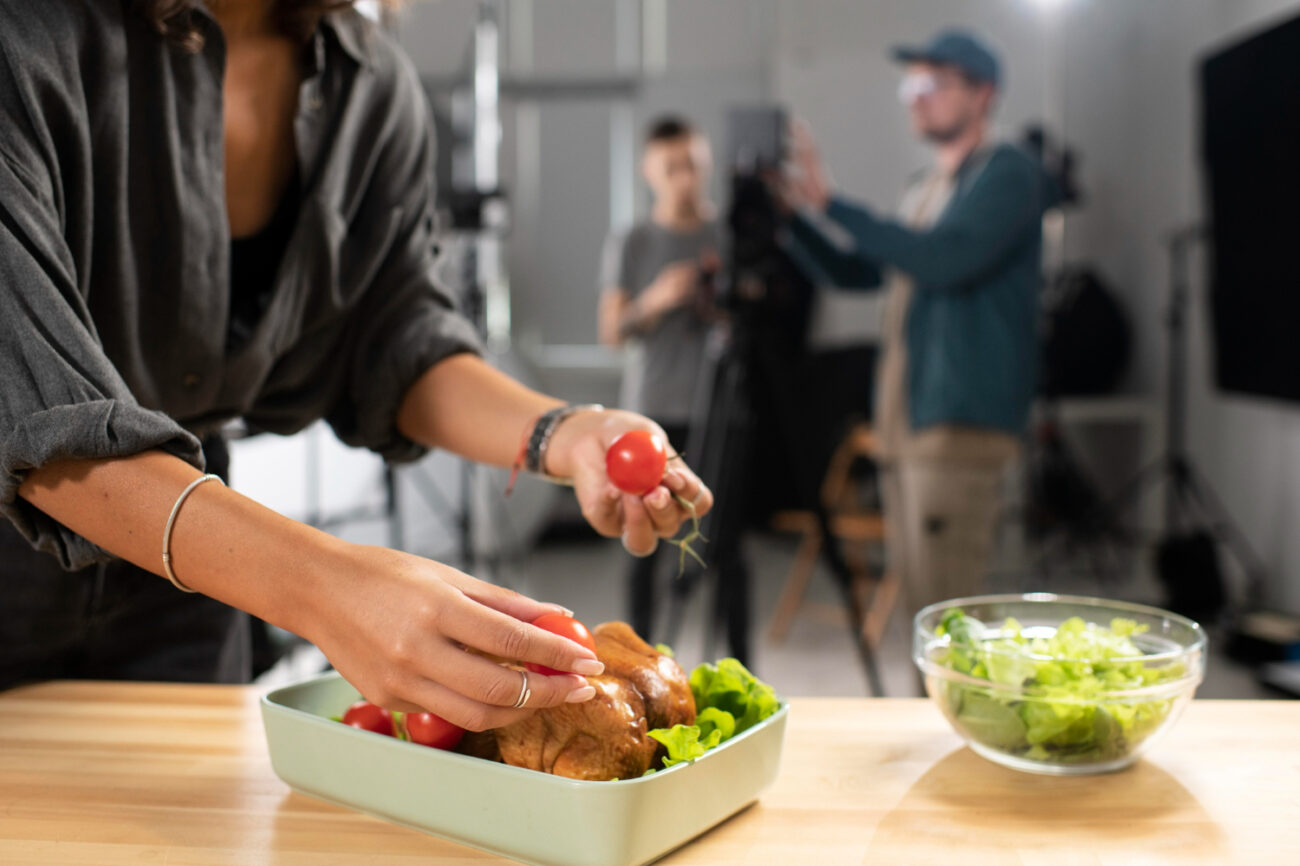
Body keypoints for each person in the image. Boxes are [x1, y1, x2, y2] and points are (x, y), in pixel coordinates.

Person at [0, 0, 713, 733]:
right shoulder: (26, 34)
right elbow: (25, 402)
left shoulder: (369, 83)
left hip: (191, 573)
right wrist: (321, 587)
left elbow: (395, 335)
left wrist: (563, 432)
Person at [780, 29, 1043, 617]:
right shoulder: (924, 188)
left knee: (948, 609)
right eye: (912, 84)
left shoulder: (1009, 173)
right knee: (922, 605)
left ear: (983, 93)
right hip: (907, 422)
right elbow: (858, 273)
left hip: (959, 422)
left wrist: (832, 204)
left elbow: (944, 259)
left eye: (935, 83)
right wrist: (790, 218)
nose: (917, 96)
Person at [597, 116, 720, 640]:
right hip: (652, 411)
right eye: (672, 168)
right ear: (650, 171)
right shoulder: (633, 240)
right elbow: (611, 331)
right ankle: (639, 651)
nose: (684, 178)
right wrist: (658, 298)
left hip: (718, 410)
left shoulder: (726, 236)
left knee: (725, 548)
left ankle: (740, 658)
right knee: (642, 544)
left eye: (692, 165)